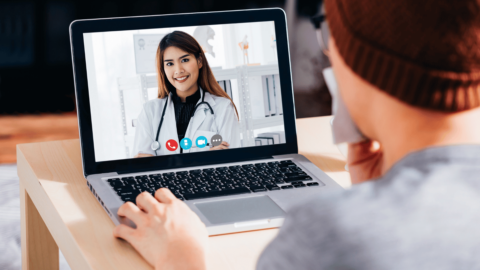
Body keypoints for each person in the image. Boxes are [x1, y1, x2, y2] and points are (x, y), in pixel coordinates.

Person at [113, 0, 480, 269]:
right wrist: (382, 195)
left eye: (328, 35)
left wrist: (182, 259)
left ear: (360, 62)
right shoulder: (151, 110)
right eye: (169, 63)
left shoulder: (328, 237)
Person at [132, 31, 240, 158]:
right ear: (163, 69)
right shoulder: (150, 111)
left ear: (199, 61)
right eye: (169, 63)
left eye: (185, 60)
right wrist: (206, 156)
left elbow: (228, 161)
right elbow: (141, 164)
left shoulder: (223, 108)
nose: (178, 70)